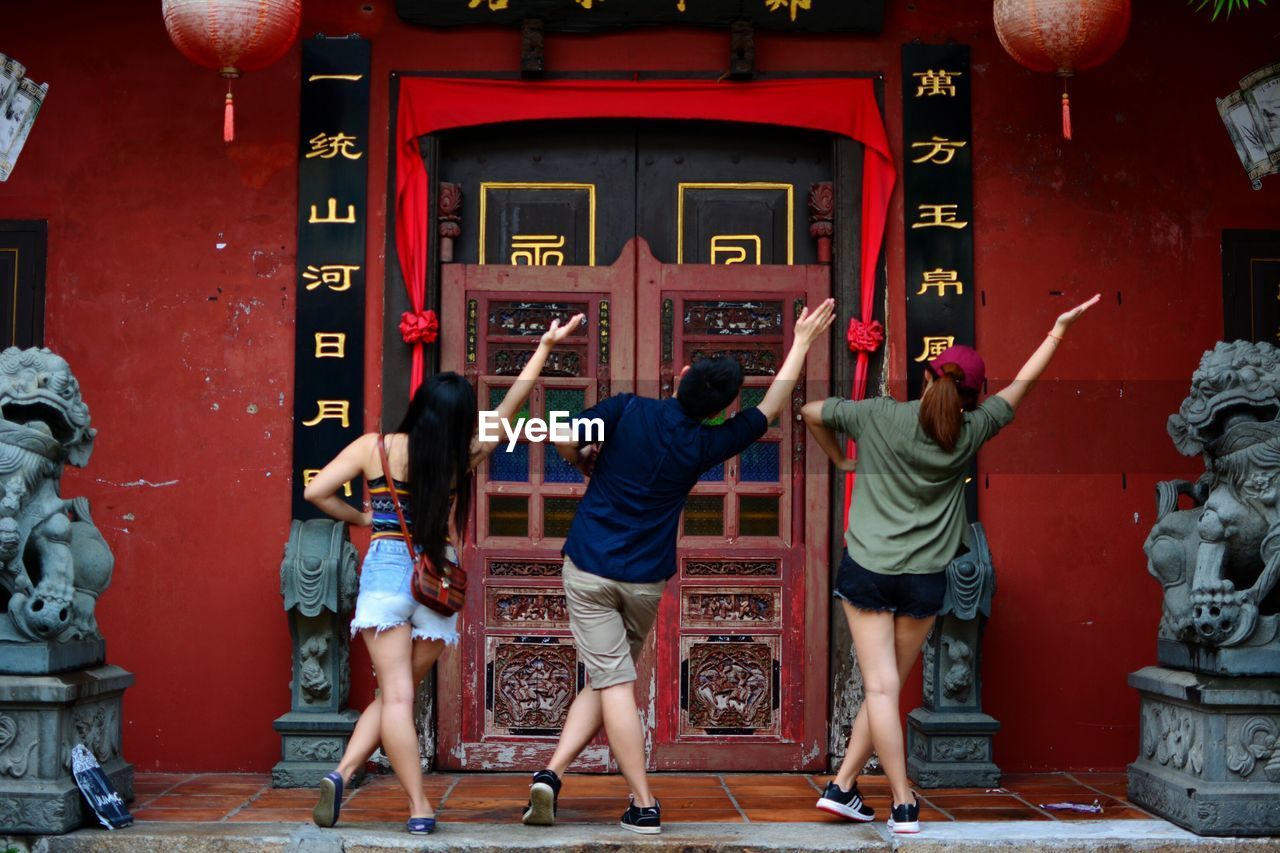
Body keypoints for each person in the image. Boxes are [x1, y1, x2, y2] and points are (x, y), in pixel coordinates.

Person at [522, 299, 836, 835]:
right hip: (644, 577)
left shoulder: (625, 410)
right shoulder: (707, 441)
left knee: (611, 679)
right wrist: (802, 343)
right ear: (720, 410)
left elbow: (560, 437)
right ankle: (550, 775)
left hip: (590, 564)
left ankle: (643, 805)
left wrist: (581, 462)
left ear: (682, 375)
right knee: (610, 676)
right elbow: (771, 408)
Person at [803, 295, 1100, 835]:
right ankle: (866, 792)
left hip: (868, 568)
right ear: (972, 395)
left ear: (925, 376)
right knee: (887, 687)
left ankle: (883, 797)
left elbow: (809, 412)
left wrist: (841, 457)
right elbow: (1023, 387)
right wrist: (1056, 331)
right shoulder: (970, 431)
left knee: (881, 688)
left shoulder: (878, 415)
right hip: (924, 577)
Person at [303, 313, 584, 835]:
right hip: (438, 580)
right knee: (396, 696)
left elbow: (315, 492)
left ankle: (418, 807)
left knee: (395, 697)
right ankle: (344, 775)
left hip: (388, 571)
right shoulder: (466, 455)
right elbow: (512, 404)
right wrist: (544, 347)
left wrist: (364, 517)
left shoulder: (375, 448)